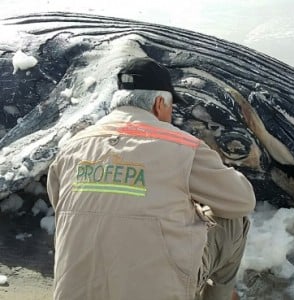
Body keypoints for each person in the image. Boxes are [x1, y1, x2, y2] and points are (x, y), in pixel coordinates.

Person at [47, 57, 256, 300]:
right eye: (170, 107)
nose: (170, 114)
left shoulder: (73, 146)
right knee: (235, 224)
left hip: (74, 293)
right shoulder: (182, 147)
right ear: (159, 103)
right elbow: (242, 200)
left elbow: (60, 203)